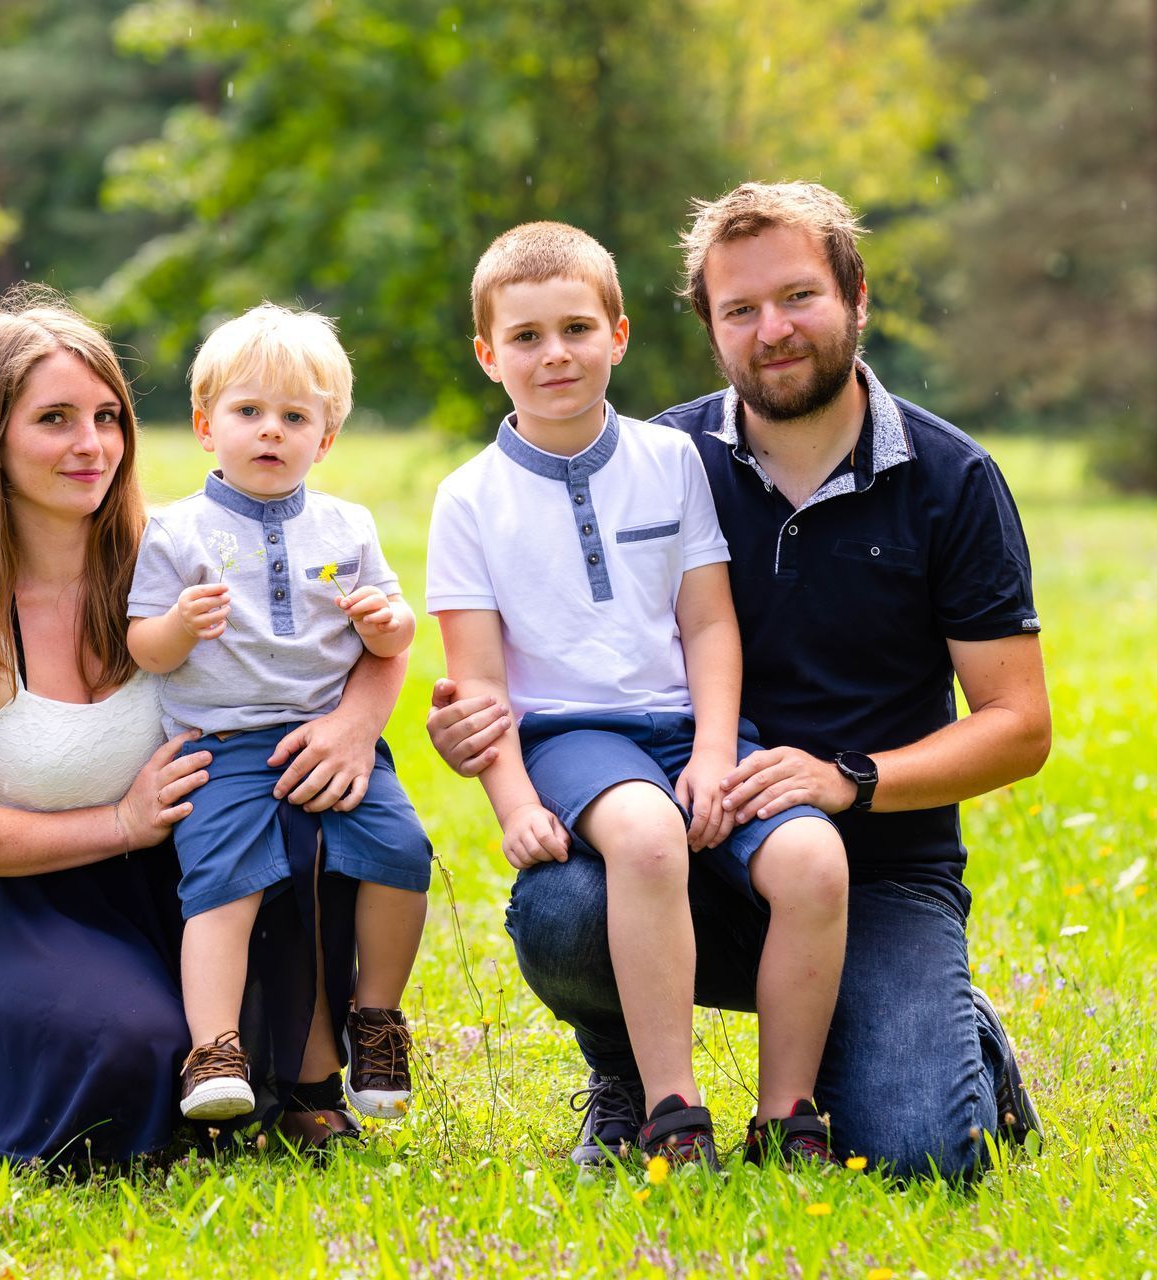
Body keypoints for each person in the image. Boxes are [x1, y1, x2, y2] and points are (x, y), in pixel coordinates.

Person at [428, 184, 1052, 1179]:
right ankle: (637, 1084)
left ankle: (933, 1017)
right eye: (740, 309)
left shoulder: (949, 477)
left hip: (876, 865)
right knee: (565, 909)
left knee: (917, 1154)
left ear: (856, 295)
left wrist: (850, 776)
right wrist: (478, 735)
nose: (774, 329)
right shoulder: (663, 457)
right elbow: (529, 641)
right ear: (709, 327)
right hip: (679, 834)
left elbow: (1020, 726)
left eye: (799, 296)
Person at [0, 288, 396, 1164]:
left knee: (313, 818)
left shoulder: (173, 555)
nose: (90, 445)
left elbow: (340, 635)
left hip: (180, 885)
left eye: (107, 416)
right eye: (54, 419)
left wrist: (360, 722)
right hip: (19, 907)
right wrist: (121, 822)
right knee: (135, 1051)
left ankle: (313, 1084)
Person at [426, 223, 850, 1168]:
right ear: (489, 356)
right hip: (575, 741)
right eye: (526, 338)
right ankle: (672, 1109)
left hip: (696, 730)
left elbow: (707, 624)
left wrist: (711, 751)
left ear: (618, 335)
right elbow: (479, 686)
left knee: (816, 858)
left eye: (577, 328)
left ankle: (788, 1117)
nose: (555, 355)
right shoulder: (469, 499)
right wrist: (513, 804)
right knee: (650, 837)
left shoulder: (671, 462)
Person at [127, 304, 431, 1125]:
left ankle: (376, 1019)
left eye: (295, 417)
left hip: (329, 733)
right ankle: (214, 1049)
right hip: (221, 742)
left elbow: (398, 626)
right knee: (223, 886)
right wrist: (178, 628)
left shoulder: (348, 526)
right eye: (249, 412)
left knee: (402, 853)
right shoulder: (175, 531)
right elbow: (144, 647)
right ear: (204, 426)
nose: (272, 432)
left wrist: (384, 623)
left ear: (324, 439)